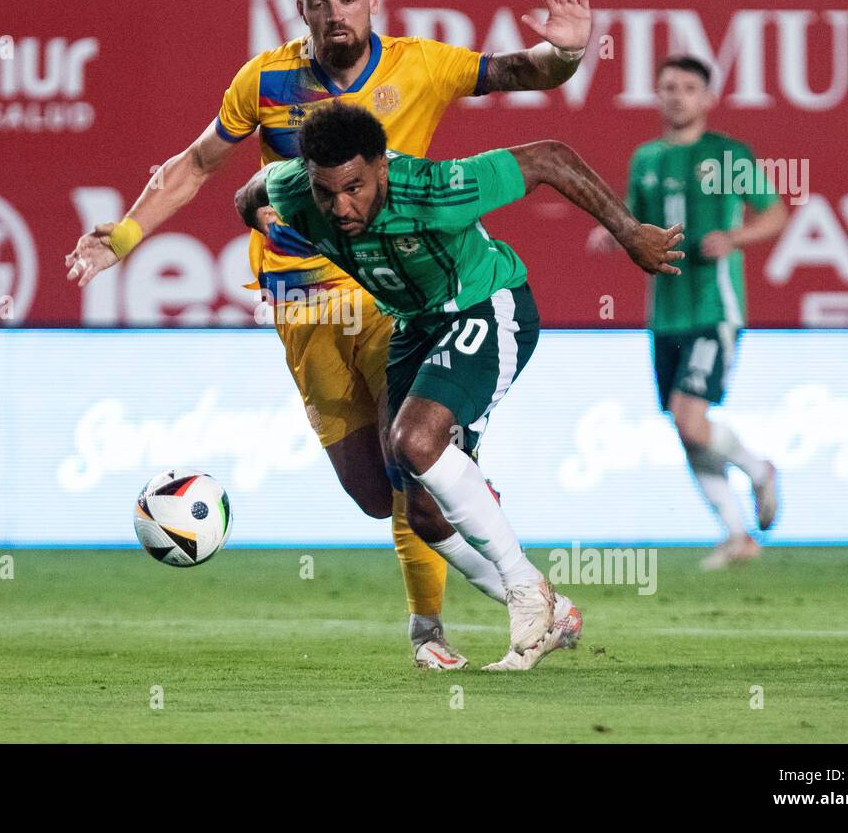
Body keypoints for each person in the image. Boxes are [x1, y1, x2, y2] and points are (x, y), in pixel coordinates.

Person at [65, 0, 595, 669]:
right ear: (300, 9)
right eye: (319, 3)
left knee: (412, 458)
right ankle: (540, 599)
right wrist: (124, 236)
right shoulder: (265, 80)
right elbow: (196, 164)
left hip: (388, 294)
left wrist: (566, 54)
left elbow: (523, 70)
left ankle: (434, 626)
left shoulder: (423, 63)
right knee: (375, 494)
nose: (334, 14)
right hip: (298, 308)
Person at [235, 101, 684, 670]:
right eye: (327, 194)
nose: (340, 207)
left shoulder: (432, 189)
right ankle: (556, 612)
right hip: (415, 326)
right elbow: (250, 193)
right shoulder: (299, 189)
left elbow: (549, 158)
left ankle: (524, 588)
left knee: (416, 441)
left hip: (487, 305)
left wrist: (627, 231)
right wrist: (265, 221)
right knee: (419, 511)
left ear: (381, 166)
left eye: (354, 188)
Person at [588, 55, 788, 569]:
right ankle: (738, 535)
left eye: (688, 87)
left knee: (690, 418)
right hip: (665, 315)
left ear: (708, 97)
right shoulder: (647, 159)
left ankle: (758, 469)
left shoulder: (726, 154)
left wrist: (734, 237)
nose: (676, 95)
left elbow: (775, 212)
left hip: (713, 307)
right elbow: (636, 221)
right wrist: (616, 234)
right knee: (684, 428)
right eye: (668, 86)